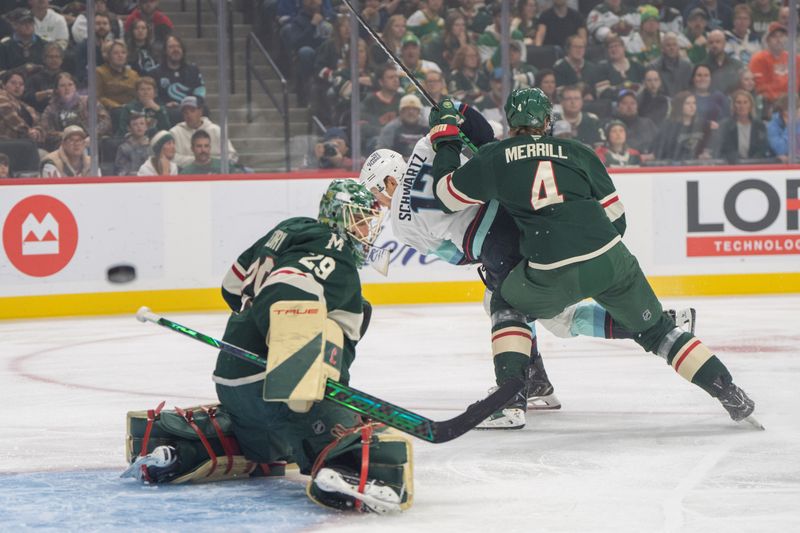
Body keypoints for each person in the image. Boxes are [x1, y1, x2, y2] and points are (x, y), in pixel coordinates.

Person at [427, 87, 759, 429]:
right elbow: (618, 219)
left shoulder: (496, 156)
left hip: (550, 268)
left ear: (511, 121)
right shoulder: (579, 151)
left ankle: (509, 401)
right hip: (611, 259)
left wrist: (445, 138)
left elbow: (447, 195)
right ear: (546, 121)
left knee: (506, 305)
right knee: (658, 331)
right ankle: (728, 390)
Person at [124, 179, 413, 515]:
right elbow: (287, 285)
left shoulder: (289, 229)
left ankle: (181, 451)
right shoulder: (335, 246)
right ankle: (344, 467)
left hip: (232, 380)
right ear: (339, 216)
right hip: (279, 385)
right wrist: (291, 354)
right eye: (360, 219)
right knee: (349, 422)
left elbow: (232, 288)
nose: (366, 230)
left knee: (263, 447)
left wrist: (256, 326)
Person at [40, 72, 111, 151]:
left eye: (70, 85)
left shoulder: (88, 102)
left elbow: (106, 121)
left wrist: (92, 136)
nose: (67, 88)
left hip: (89, 140)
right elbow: (46, 130)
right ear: (56, 90)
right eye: (62, 86)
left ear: (75, 87)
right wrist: (67, 137)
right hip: (64, 144)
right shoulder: (51, 108)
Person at [147, 35, 206, 124]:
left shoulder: (193, 70)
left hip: (190, 107)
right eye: (171, 47)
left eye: (178, 46)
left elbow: (200, 91)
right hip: (166, 109)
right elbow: (152, 96)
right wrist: (163, 105)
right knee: (175, 113)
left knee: (205, 110)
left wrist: (190, 103)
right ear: (165, 51)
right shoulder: (154, 73)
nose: (176, 50)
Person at [169, 95, 238, 168]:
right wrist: (197, 161)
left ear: (200, 111)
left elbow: (232, 155)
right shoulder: (174, 132)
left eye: (192, 111)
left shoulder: (216, 130)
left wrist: (212, 163)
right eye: (185, 112)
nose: (189, 115)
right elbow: (170, 157)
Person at [714, 89, 772, 163]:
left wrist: (751, 163)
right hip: (733, 166)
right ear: (733, 105)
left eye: (745, 102)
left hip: (755, 167)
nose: (742, 106)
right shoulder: (725, 126)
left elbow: (762, 148)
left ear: (750, 105)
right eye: (738, 102)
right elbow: (726, 149)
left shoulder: (759, 126)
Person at [749, 23, 800, 106]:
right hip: (769, 104)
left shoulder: (795, 59)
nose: (778, 40)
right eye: (774, 36)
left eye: (781, 36)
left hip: (793, 104)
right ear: (767, 40)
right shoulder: (758, 59)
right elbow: (759, 88)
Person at [654, 90, 714, 161]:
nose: (692, 106)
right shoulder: (668, 127)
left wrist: (706, 154)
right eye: (687, 103)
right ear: (679, 106)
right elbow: (661, 153)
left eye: (694, 103)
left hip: (699, 166)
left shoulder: (704, 125)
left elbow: (710, 148)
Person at [592, 34, 646, 101]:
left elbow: (645, 88)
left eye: (617, 46)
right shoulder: (602, 68)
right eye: (610, 47)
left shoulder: (636, 66)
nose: (614, 49)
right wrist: (623, 91)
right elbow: (603, 93)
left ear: (624, 48)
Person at [376, 94, 428, 158]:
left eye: (414, 109)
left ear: (419, 112)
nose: (411, 112)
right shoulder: (390, 128)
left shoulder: (427, 127)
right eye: (407, 109)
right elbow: (382, 151)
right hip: (397, 165)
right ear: (401, 111)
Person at [360, 63, 402, 142]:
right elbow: (363, 127)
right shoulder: (369, 101)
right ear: (381, 82)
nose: (396, 80)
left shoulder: (402, 99)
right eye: (391, 77)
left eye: (397, 77)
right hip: (376, 141)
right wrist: (386, 133)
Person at [0, 70, 43, 145]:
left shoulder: (27, 106)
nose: (17, 86)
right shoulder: (2, 96)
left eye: (21, 84)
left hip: (26, 143)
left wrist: (37, 131)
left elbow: (40, 122)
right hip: (5, 142)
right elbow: (9, 115)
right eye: (13, 83)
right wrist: (28, 131)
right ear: (3, 85)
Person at [611, 89, 657, 158]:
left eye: (633, 103)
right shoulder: (612, 125)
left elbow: (659, 145)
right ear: (618, 107)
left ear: (637, 106)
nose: (629, 106)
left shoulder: (647, 123)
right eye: (625, 103)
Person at [96, 40, 141, 113]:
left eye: (123, 52)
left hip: (132, 112)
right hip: (110, 112)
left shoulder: (133, 74)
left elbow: (139, 96)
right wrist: (118, 107)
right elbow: (98, 97)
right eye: (115, 53)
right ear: (108, 55)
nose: (120, 55)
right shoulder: (99, 72)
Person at [648, 31, 693, 96]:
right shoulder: (653, 67)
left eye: (674, 45)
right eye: (668, 45)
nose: (672, 48)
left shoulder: (687, 66)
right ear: (662, 48)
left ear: (678, 47)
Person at [22, 41, 62, 113]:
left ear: (61, 59)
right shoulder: (34, 78)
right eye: (51, 57)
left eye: (57, 56)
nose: (54, 60)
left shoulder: (67, 78)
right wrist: (45, 93)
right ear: (44, 59)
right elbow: (26, 98)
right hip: (40, 113)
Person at [703, 29, 742, 95]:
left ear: (724, 44)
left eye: (718, 42)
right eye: (711, 42)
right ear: (707, 45)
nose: (714, 45)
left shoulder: (736, 65)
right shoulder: (702, 67)